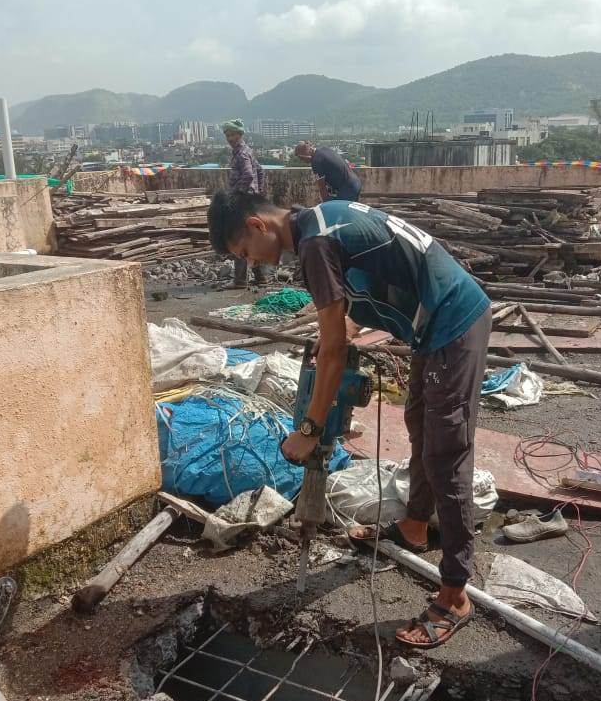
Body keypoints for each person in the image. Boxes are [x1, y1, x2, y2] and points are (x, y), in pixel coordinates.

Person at [207, 191, 492, 649]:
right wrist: (344, 327)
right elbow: (367, 272)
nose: (252, 262)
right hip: (435, 324)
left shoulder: (314, 246)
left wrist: (309, 429)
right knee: (421, 427)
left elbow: (335, 354)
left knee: (446, 454)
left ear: (257, 225)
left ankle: (455, 595)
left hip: (454, 322)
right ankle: (415, 526)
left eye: (245, 252)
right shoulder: (320, 220)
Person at [223, 119, 267, 287]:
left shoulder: (241, 154)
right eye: (227, 135)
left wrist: (237, 194)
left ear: (240, 134)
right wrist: (259, 191)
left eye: (232, 135)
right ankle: (261, 277)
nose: (230, 138)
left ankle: (240, 280)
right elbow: (260, 171)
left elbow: (248, 175)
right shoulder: (247, 151)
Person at [294, 141, 361, 202]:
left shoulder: (316, 162)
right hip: (355, 183)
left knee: (336, 211)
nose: (302, 161)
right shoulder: (324, 149)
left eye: (301, 158)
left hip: (347, 189)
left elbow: (322, 187)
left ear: (305, 153)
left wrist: (326, 204)